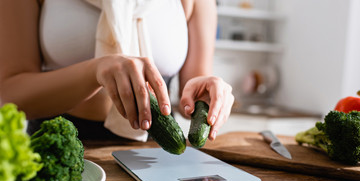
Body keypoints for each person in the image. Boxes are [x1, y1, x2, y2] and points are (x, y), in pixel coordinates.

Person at [0, 0, 234, 142]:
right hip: (59, 145)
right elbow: (10, 93)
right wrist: (96, 70)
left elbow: (193, 90)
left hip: (157, 148)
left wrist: (209, 92)